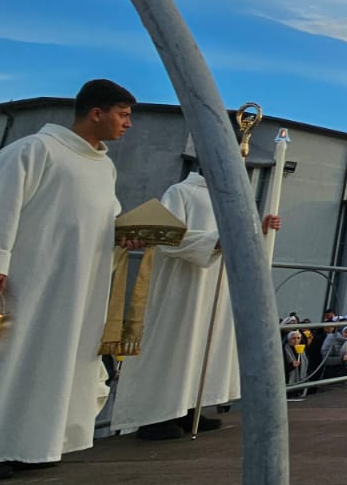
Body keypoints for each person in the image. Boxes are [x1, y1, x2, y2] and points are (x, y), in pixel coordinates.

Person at [0, 79, 139, 483]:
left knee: (56, 362)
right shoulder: (34, 150)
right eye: (123, 114)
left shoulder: (105, 166)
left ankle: (34, 443)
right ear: (95, 112)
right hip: (27, 280)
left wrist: (126, 232)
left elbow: (103, 219)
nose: (128, 124)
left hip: (77, 286)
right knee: (5, 359)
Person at [111, 167, 283, 440]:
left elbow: (241, 238)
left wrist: (259, 230)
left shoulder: (235, 199)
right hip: (181, 285)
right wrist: (217, 241)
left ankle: (191, 406)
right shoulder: (182, 192)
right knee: (174, 344)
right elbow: (167, 236)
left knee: (204, 343)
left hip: (215, 282)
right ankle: (156, 416)